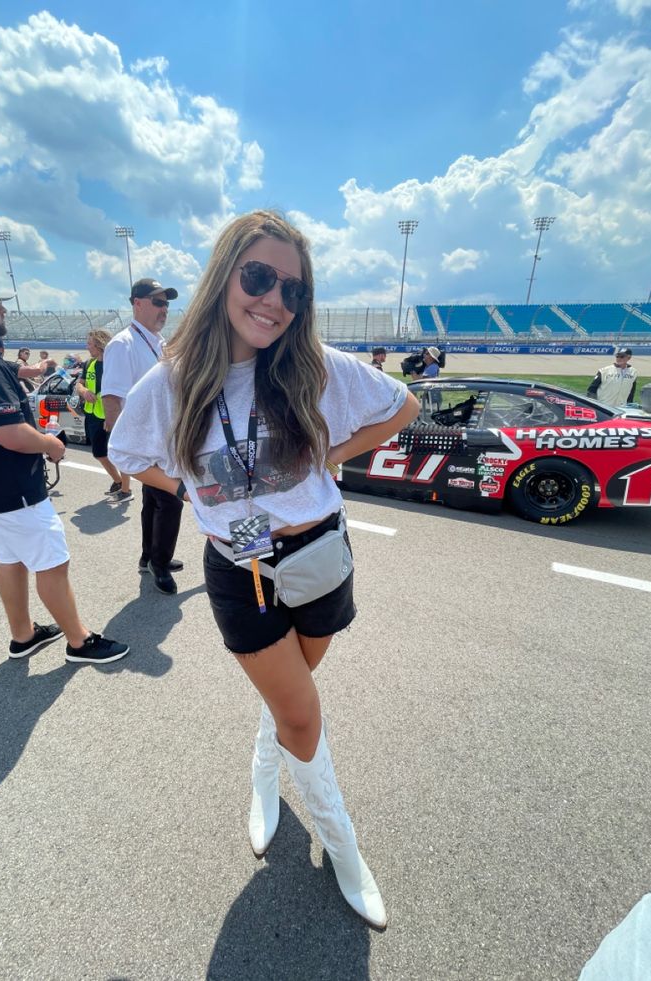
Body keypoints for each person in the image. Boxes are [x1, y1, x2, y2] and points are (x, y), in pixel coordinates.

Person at [108, 210, 419, 927]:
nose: (275, 300)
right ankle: (343, 847)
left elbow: (402, 404)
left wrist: (330, 456)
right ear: (225, 278)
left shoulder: (314, 367)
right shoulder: (172, 380)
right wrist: (196, 489)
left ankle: (264, 760)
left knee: (292, 698)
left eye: (294, 291)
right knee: (304, 712)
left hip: (320, 556)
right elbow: (126, 455)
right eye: (259, 277)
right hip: (239, 566)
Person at [0, 265, 130, 665]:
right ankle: (79, 642)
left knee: (12, 558)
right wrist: (52, 446)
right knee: (52, 561)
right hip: (10, 484)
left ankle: (23, 635)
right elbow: (11, 433)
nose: (3, 311)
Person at [102, 277, 184, 594]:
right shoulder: (123, 344)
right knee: (171, 501)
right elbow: (112, 398)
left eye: (167, 303)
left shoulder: (158, 341)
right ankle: (160, 565)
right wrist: (124, 448)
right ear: (137, 303)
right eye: (158, 302)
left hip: (161, 441)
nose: (164, 308)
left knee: (153, 502)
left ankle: (148, 556)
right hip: (146, 444)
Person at [75, 329, 132, 501]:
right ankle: (118, 481)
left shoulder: (113, 364)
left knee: (119, 453)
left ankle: (126, 490)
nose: (87, 347)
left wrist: (111, 416)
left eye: (90, 343)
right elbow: (79, 384)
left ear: (99, 344)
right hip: (93, 415)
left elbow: (120, 392)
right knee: (99, 453)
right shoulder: (89, 364)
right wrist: (84, 392)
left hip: (111, 416)